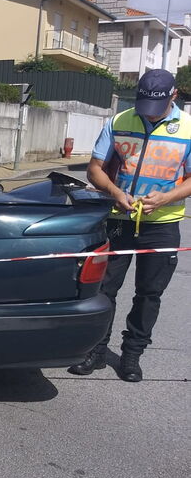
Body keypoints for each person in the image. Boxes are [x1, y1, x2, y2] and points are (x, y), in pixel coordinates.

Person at [69, 69, 191, 382]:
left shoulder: (188, 129)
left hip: (162, 224)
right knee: (104, 289)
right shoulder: (119, 121)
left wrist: (165, 198)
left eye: (156, 108)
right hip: (119, 220)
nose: (147, 115)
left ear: (173, 96)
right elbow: (95, 169)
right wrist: (114, 192)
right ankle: (96, 351)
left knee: (149, 294)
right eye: (143, 106)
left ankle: (132, 355)